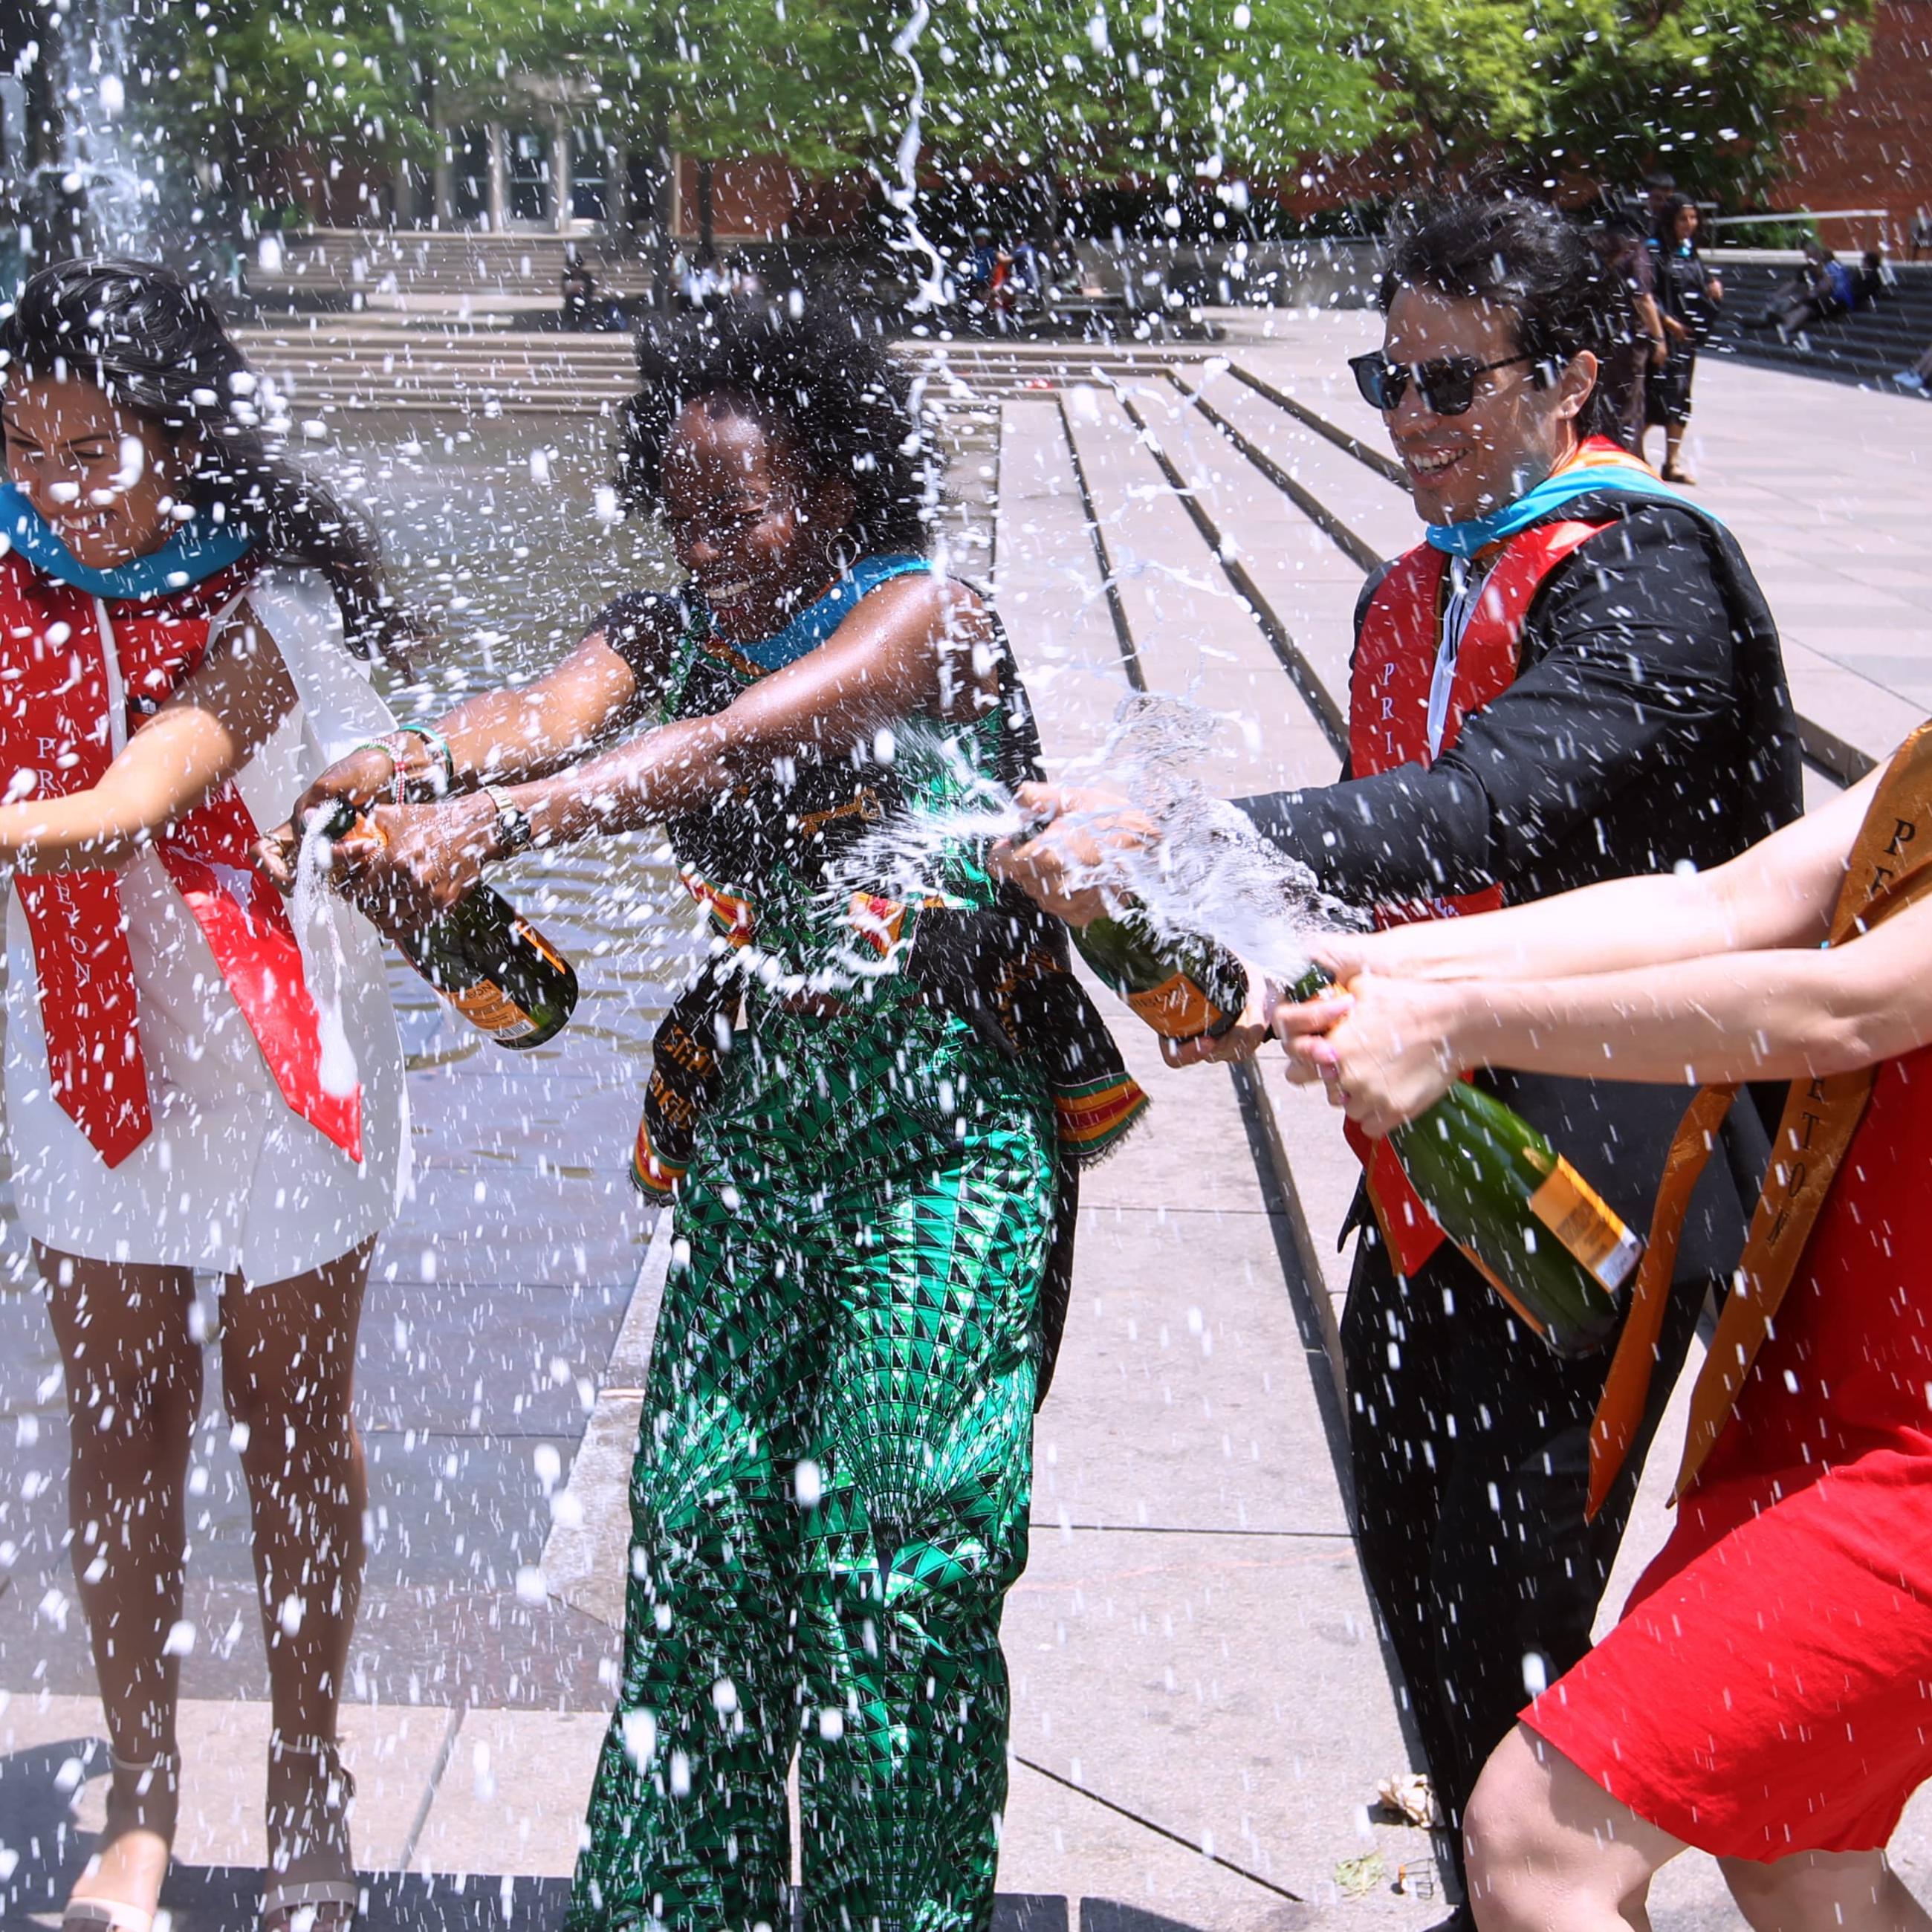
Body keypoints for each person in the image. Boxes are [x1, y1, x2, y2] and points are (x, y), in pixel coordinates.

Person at [275, 296, 1146, 1932]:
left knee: (892, 1551)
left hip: (948, 1132)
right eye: (682, 509)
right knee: (695, 1528)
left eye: (739, 508)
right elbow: (534, 716)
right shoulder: (668, 624)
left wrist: (511, 822)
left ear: (830, 490)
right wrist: (409, 765)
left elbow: (727, 743)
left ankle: (899, 1911)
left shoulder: (924, 614)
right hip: (764, 1125)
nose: (709, 542)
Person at [991, 193, 1802, 1929]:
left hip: (1609, 1180)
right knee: (1423, 1578)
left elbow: (1493, 805)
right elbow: (1377, 864)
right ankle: (1485, 1891)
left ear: (1570, 374)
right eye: (1386, 373)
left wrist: (1186, 827)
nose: (1411, 416)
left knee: (1520, 1596)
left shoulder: (1645, 574)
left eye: (1452, 378)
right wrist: (1195, 919)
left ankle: (1533, 1892)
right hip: (1425, 1172)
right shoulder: (1409, 588)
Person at [1271, 719, 1932, 1931]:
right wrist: (1378, 968)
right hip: (1833, 1410)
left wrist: (1459, 1023)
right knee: (1802, 1866)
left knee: (1540, 1844)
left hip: (1911, 1478)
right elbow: (1725, 906)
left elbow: (1848, 1007)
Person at [0, 259, 412, 1931]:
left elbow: (117, 806)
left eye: (94, 451)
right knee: (118, 1428)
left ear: (186, 439)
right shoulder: (12, 589)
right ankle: (141, 1802)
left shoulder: (278, 606)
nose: (57, 491)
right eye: (23, 449)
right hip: (86, 1056)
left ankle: (310, 1789)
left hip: (277, 1056)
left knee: (294, 1431)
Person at [1645, 196, 1721, 483]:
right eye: (1683, 219)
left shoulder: (1689, 252)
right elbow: (1647, 293)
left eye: (1693, 218)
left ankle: (1671, 462)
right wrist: (1666, 324)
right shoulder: (1655, 251)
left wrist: (1712, 285)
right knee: (1656, 399)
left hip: (1687, 338)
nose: (1689, 225)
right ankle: (1634, 455)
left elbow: (1701, 279)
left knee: (1680, 398)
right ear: (1669, 220)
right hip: (1662, 338)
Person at [1591, 212, 1666, 454]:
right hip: (1630, 340)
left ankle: (1602, 451)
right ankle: (1624, 457)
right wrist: (1659, 338)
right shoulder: (1634, 252)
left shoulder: (1600, 250)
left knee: (1605, 400)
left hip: (1603, 335)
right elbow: (1643, 299)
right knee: (1630, 405)